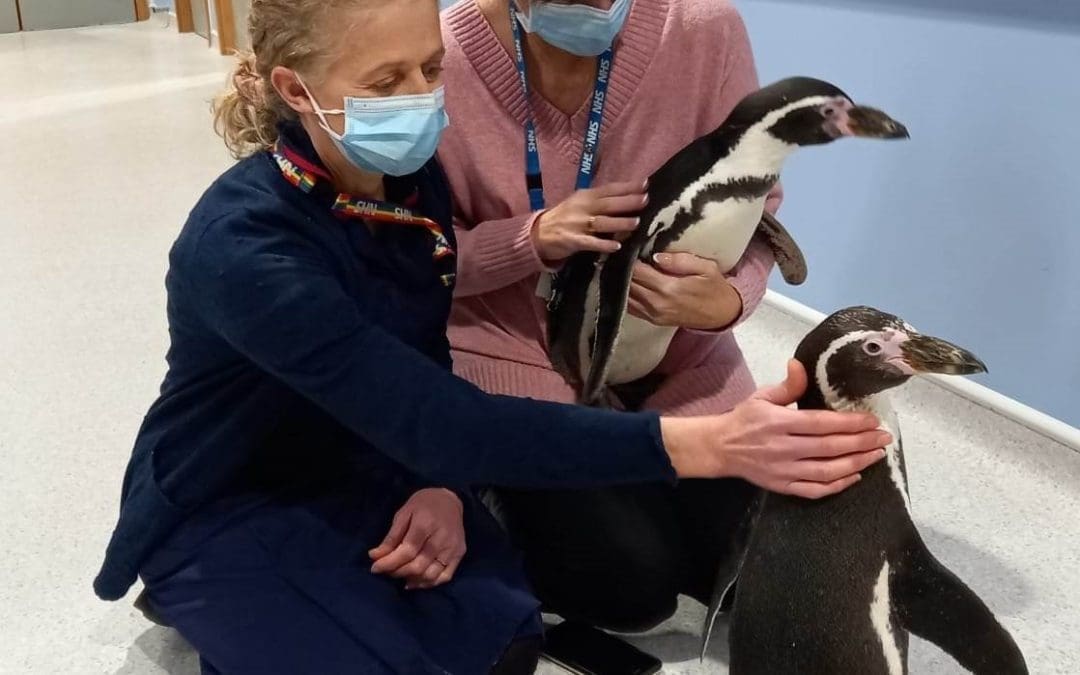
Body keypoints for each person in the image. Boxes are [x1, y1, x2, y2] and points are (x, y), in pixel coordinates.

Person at [92, 0, 889, 672]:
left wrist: (438, 482)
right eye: (386, 82)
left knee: (503, 640)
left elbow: (424, 345)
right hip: (236, 489)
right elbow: (442, 416)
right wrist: (711, 444)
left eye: (431, 70)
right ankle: (194, 582)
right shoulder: (244, 248)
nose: (424, 100)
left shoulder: (408, 184)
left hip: (370, 453)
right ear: (297, 89)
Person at [437, 0, 822, 632]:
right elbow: (410, 259)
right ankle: (493, 486)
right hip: (517, 358)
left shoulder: (705, 30)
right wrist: (527, 241)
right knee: (631, 588)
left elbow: (760, 204)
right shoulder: (439, 59)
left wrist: (728, 299)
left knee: (762, 570)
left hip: (673, 357)